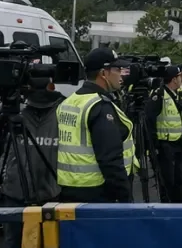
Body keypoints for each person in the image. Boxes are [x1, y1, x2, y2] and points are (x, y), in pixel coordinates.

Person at [0, 79, 63, 248]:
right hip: (49, 187)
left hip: (20, 188)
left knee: (14, 242)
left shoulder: (17, 114)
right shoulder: (61, 113)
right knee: (49, 244)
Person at [56, 48, 136, 204]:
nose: (121, 74)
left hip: (70, 188)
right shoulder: (99, 106)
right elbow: (110, 160)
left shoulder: (69, 101)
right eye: (117, 69)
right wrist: (125, 197)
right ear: (103, 73)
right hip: (98, 192)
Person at [149, 66, 182, 203]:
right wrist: (154, 146)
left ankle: (180, 205)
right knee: (168, 180)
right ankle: (168, 206)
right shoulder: (159, 96)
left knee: (181, 178)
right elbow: (149, 122)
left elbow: (179, 121)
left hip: (179, 144)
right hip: (165, 145)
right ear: (174, 79)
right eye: (180, 76)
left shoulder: (174, 95)